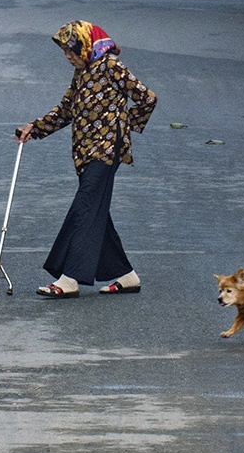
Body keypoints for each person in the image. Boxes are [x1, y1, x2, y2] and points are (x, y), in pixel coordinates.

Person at [15, 20, 157, 298]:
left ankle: (69, 278)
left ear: (85, 45)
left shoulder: (111, 66)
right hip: (84, 152)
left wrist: (124, 125)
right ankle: (127, 275)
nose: (68, 57)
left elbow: (147, 98)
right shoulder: (82, 72)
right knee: (95, 209)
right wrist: (35, 128)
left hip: (106, 151)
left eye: (71, 50)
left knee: (85, 207)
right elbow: (66, 109)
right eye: (65, 52)